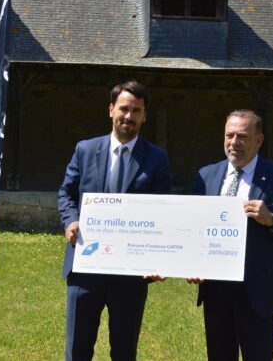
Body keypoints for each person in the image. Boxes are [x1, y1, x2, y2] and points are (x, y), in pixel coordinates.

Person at [58, 80, 171, 361]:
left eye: (136, 111)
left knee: (124, 351)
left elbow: (162, 213)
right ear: (111, 110)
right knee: (77, 350)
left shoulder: (157, 159)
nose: (129, 116)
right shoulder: (85, 150)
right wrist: (71, 221)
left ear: (145, 116)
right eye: (124, 108)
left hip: (130, 273)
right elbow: (66, 193)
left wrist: (159, 258)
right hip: (85, 265)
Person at [189, 109, 273, 361]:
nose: (234, 142)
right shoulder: (206, 176)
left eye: (242, 136)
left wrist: (272, 220)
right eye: (229, 135)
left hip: (258, 293)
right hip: (216, 291)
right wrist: (194, 265)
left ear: (259, 140)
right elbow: (193, 229)